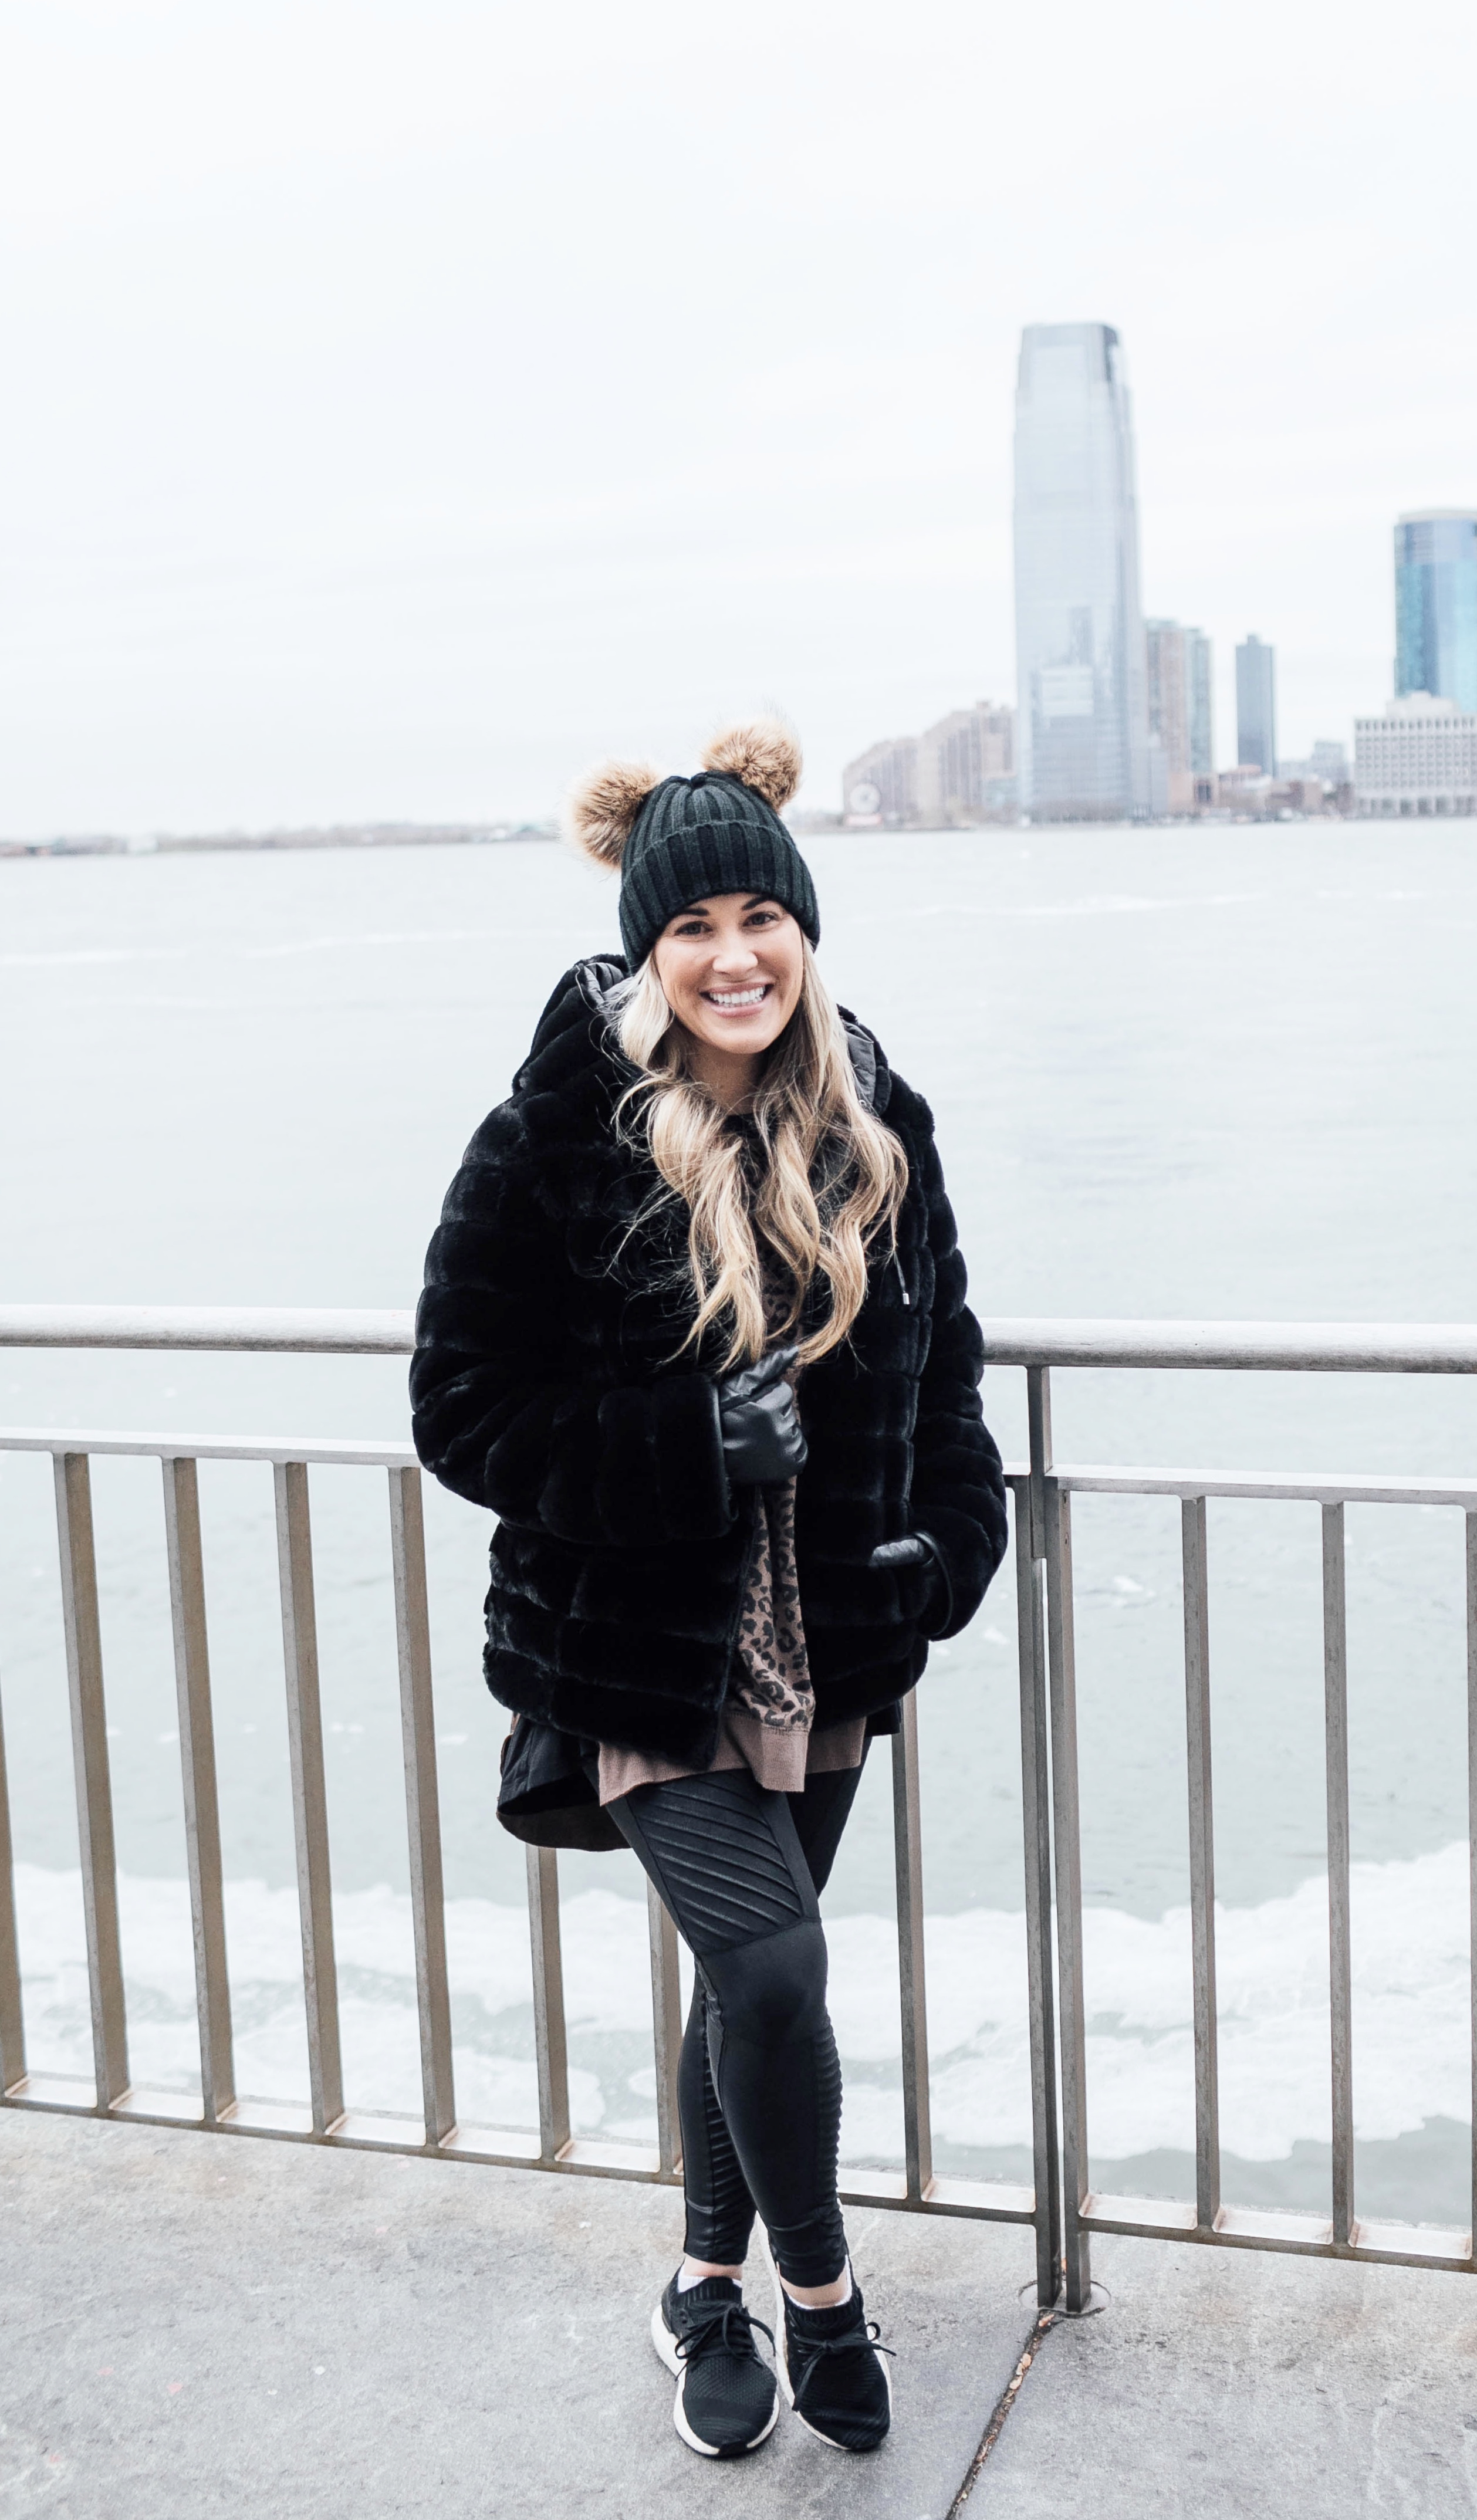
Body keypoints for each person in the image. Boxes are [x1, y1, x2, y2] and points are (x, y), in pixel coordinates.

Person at [410, 722, 1006, 2462]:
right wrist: (683, 1446)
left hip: (831, 1645)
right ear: (645, 950)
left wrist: (943, 1555)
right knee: (774, 1964)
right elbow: (461, 1403)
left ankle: (697, 2284)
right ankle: (819, 2299)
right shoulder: (555, 1138)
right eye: (696, 927)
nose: (736, 954)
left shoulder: (879, 1121)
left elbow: (950, 1371)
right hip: (636, 1654)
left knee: (757, 1996)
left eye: (765, 916)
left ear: (804, 931)